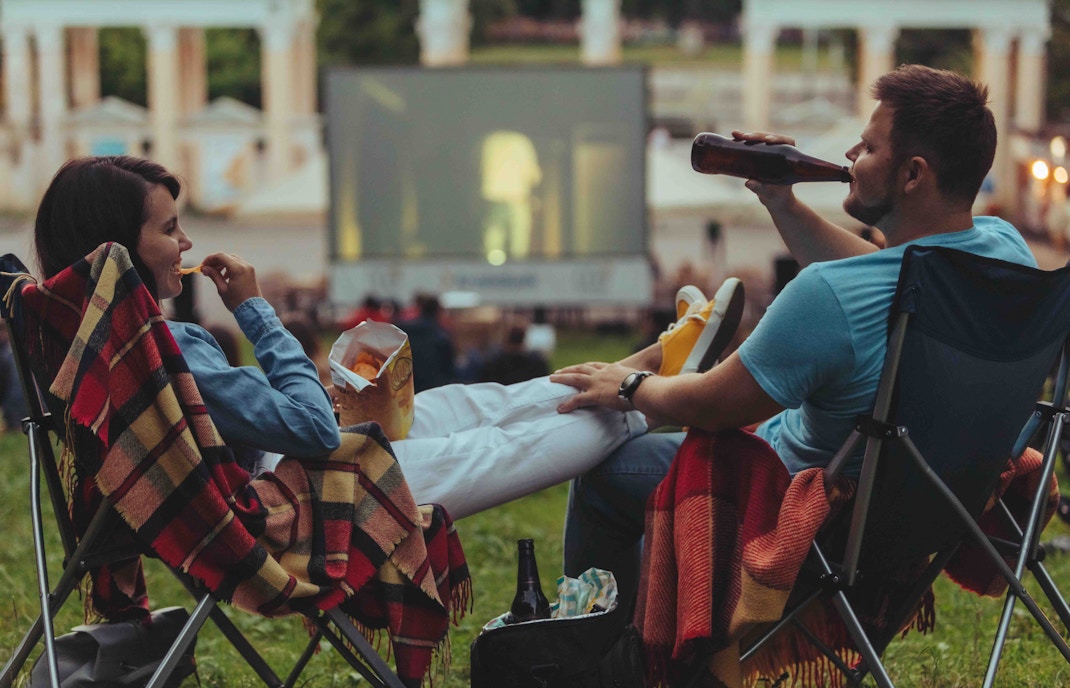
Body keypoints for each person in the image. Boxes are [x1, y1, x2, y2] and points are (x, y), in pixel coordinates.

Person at [550, 64, 1039, 612]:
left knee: (601, 479)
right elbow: (890, 276)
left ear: (912, 175)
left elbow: (713, 406)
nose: (851, 155)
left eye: (869, 147)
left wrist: (631, 383)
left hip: (805, 517)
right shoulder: (1004, 252)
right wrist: (783, 201)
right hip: (930, 514)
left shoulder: (826, 296)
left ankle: (599, 648)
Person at [29, 155, 746, 523]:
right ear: (117, 248)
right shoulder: (163, 346)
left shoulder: (117, 339)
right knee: (494, 445)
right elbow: (309, 426)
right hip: (283, 495)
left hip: (282, 466)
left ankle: (647, 363)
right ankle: (654, 397)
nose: (186, 241)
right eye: (168, 230)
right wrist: (256, 312)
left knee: (469, 406)